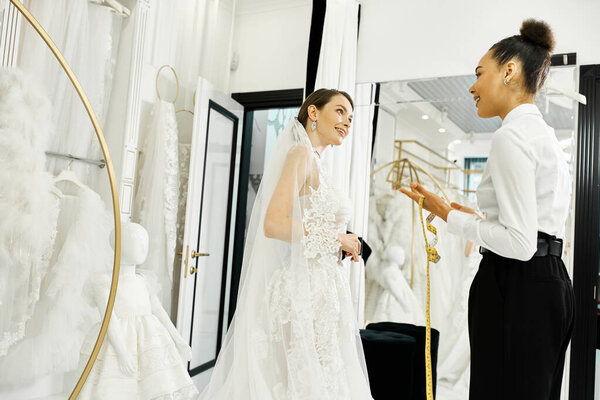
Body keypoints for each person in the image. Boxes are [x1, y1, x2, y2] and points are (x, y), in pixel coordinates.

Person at [401, 19, 574, 400]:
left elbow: (521, 242)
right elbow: (536, 229)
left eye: (480, 74)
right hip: (551, 281)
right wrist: (479, 219)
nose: (472, 86)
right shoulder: (544, 137)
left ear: (509, 71)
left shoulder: (511, 137)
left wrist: (448, 215)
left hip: (516, 285)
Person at [199, 89, 373, 399]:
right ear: (314, 113)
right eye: (340, 111)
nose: (347, 121)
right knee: (296, 379)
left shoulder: (319, 163)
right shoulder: (300, 154)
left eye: (351, 117)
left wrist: (341, 245)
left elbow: (311, 223)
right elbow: (274, 223)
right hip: (302, 288)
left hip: (324, 287)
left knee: (321, 374)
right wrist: (336, 237)